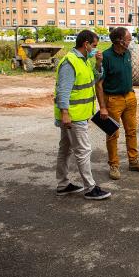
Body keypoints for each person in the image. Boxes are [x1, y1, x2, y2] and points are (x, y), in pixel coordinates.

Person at [54, 29, 111, 200]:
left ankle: (63, 184)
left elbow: (94, 79)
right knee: (83, 150)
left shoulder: (84, 61)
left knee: (65, 149)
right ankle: (90, 187)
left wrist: (98, 64)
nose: (95, 49)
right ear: (85, 44)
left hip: (78, 114)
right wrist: (65, 113)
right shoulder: (70, 62)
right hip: (73, 116)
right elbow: (63, 91)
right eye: (94, 46)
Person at [96, 27, 139, 180]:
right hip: (113, 101)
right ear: (120, 41)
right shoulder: (106, 57)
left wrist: (131, 93)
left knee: (132, 131)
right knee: (113, 133)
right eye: (128, 39)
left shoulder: (127, 53)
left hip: (130, 97)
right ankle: (114, 165)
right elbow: (99, 84)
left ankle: (133, 162)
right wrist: (102, 107)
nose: (130, 41)